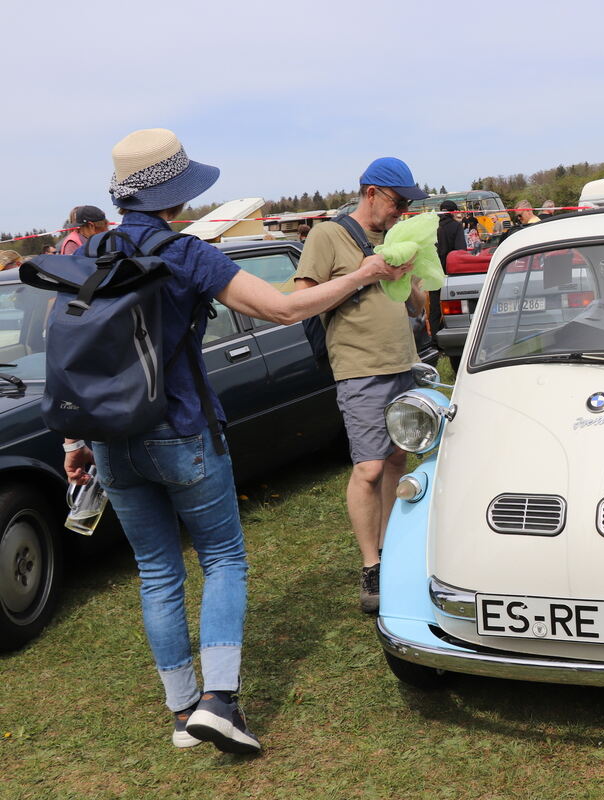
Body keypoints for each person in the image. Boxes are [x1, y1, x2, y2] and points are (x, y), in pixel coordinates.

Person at [61, 128, 413, 754]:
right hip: (183, 429)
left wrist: (74, 440)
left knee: (157, 573)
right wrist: (364, 272)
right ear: (178, 192)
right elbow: (283, 308)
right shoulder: (186, 252)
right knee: (223, 558)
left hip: (112, 439)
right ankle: (219, 702)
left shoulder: (95, 251)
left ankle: (180, 713)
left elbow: (83, 354)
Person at [293, 157, 429, 617]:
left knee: (396, 460)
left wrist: (407, 273)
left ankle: (393, 551)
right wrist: (365, 274)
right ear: (371, 192)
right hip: (359, 369)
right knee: (369, 468)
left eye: (408, 204)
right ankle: (371, 565)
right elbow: (301, 302)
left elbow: (420, 301)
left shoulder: (395, 236)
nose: (402, 211)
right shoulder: (327, 235)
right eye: (397, 202)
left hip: (402, 363)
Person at [434, 200, 466, 332]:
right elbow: (461, 250)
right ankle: (454, 329)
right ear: (453, 212)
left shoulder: (433, 226)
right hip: (451, 270)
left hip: (433, 270)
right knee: (453, 302)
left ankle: (435, 338)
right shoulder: (456, 226)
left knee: (435, 305)